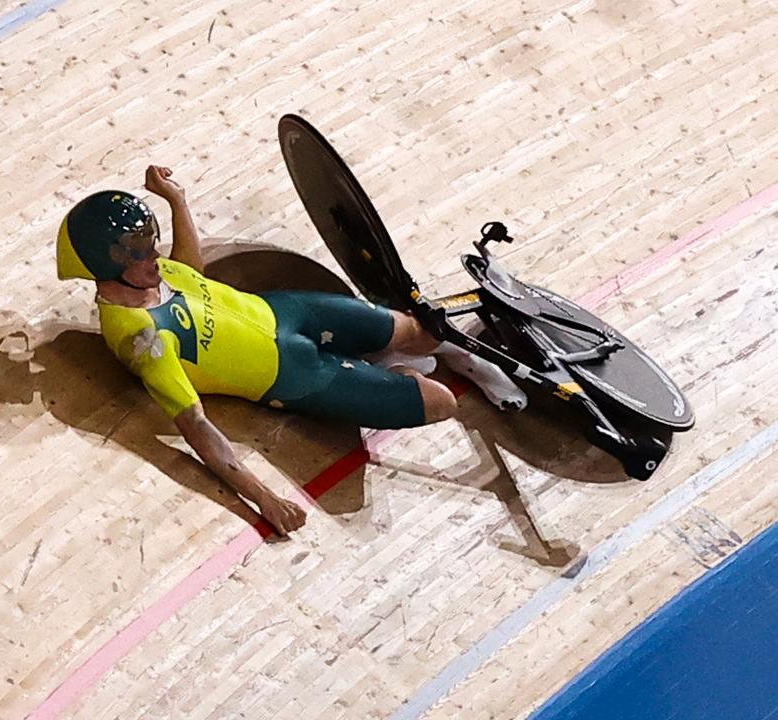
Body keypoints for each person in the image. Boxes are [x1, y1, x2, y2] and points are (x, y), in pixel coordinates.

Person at [55, 166, 527, 535]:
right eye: (140, 252)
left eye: (151, 244)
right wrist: (263, 497)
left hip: (289, 313)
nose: (154, 257)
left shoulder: (154, 272)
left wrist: (177, 200)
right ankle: (391, 365)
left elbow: (191, 271)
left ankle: (450, 357)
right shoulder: (143, 339)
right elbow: (196, 427)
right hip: (296, 376)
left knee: (425, 331)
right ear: (105, 265)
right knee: (440, 402)